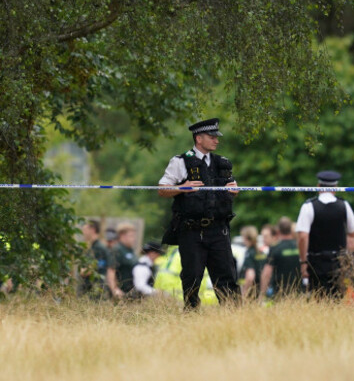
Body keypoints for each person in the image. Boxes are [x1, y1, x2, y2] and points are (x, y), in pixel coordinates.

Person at [158, 117, 240, 309]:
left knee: (226, 277)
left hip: (219, 230)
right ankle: (191, 315)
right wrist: (182, 187)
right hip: (192, 231)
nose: (216, 140)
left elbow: (229, 191)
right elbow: (162, 190)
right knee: (192, 278)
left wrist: (234, 191)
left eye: (216, 136)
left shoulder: (222, 163)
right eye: (212, 137)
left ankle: (235, 317)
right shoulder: (180, 162)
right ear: (198, 139)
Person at [296, 170, 354, 298]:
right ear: (335, 188)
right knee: (337, 299)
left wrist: (303, 262)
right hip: (338, 262)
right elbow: (353, 232)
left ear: (318, 186)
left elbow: (303, 237)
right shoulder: (344, 206)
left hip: (315, 261)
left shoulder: (309, 206)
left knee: (317, 298)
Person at [260, 217, 301, 300]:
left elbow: (267, 273)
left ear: (278, 230)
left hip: (280, 293)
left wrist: (262, 295)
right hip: (299, 292)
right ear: (290, 229)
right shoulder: (299, 246)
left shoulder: (275, 248)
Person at [78, 220, 110, 299]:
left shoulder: (99, 248)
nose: (83, 232)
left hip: (95, 290)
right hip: (87, 289)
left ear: (92, 230)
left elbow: (99, 266)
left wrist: (84, 271)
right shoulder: (90, 247)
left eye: (85, 229)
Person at [106, 222, 139, 298]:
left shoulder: (130, 250)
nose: (134, 239)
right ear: (122, 236)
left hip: (131, 294)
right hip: (121, 294)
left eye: (134, 236)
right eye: (131, 236)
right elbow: (111, 271)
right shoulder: (117, 249)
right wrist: (115, 289)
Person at [240, 225, 267, 298]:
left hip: (252, 294)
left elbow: (250, 276)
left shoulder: (249, 254)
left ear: (245, 238)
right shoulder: (262, 253)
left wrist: (244, 293)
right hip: (262, 291)